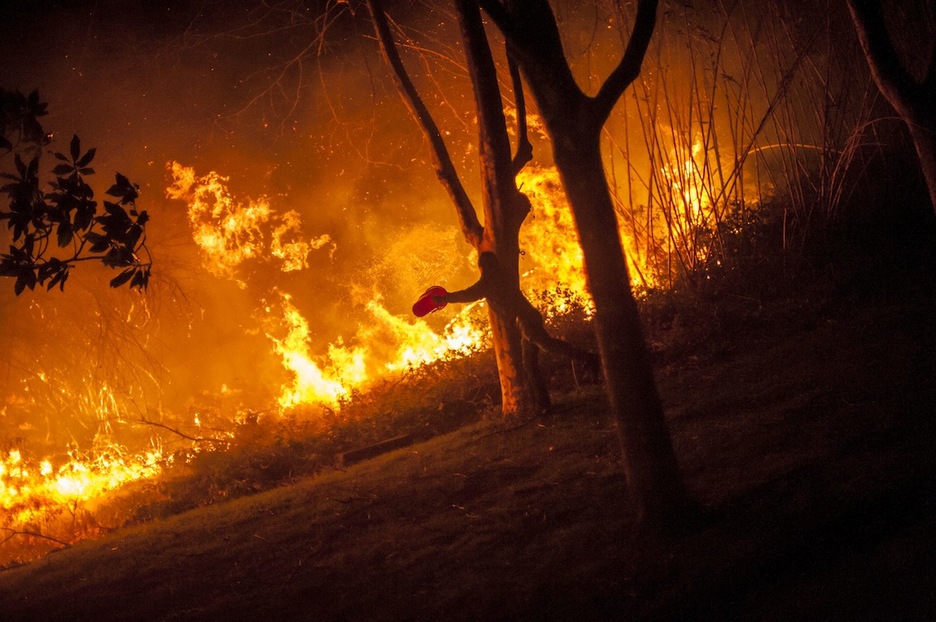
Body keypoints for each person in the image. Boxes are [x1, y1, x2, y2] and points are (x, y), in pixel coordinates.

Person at [435, 252, 600, 405]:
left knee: (547, 345)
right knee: (529, 364)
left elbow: (468, 294)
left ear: (483, 267)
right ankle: (543, 405)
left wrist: (445, 298)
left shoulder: (489, 280)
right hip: (527, 318)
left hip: (524, 321)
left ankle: (589, 359)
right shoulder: (503, 276)